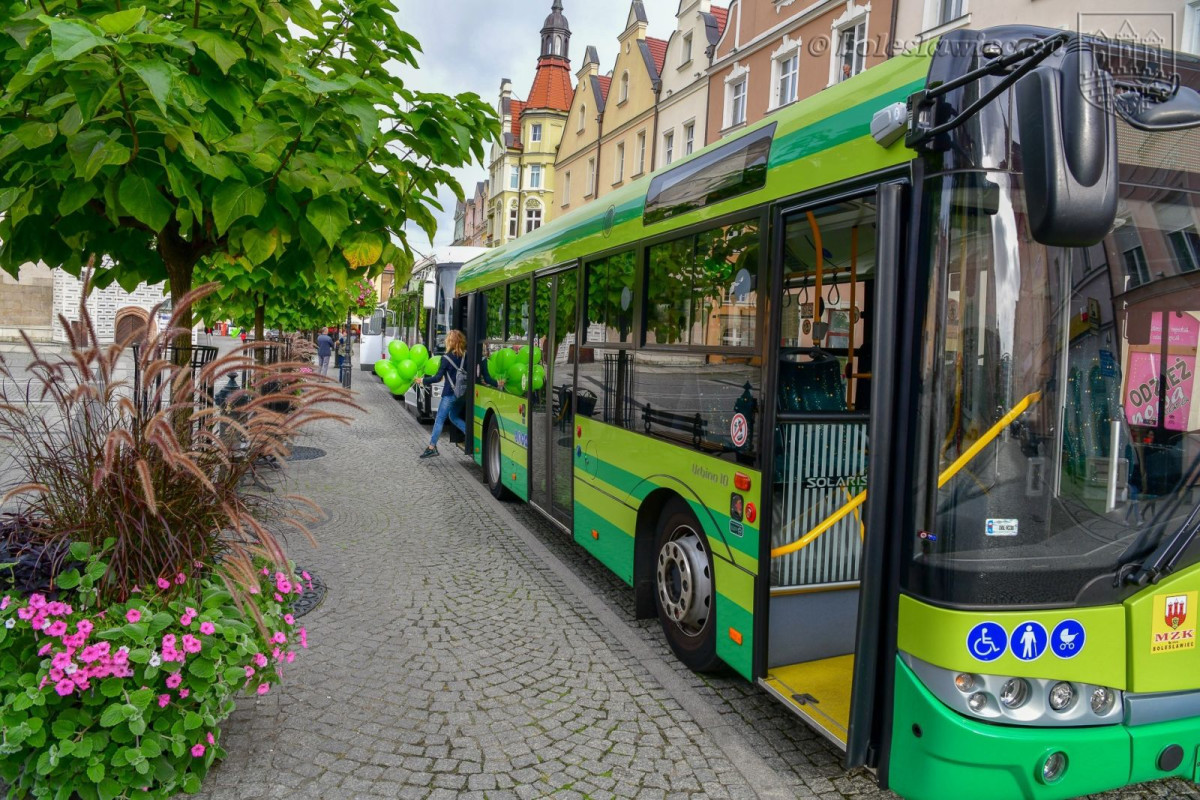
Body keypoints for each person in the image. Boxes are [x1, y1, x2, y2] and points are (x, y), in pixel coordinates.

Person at [418, 330, 467, 459]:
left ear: (449, 342)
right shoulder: (465, 357)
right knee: (453, 416)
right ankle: (471, 435)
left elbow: (437, 378)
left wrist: (423, 380)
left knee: (439, 419)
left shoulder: (446, 358)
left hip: (450, 394)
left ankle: (431, 447)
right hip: (462, 394)